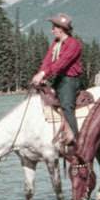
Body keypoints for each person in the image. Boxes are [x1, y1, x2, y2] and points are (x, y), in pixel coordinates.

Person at [31, 13, 83, 146]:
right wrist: (40, 74)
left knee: (67, 106)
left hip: (71, 80)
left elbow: (62, 62)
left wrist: (44, 74)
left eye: (54, 27)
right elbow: (47, 60)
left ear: (61, 28)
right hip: (59, 79)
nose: (52, 30)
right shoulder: (55, 43)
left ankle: (77, 141)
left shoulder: (74, 44)